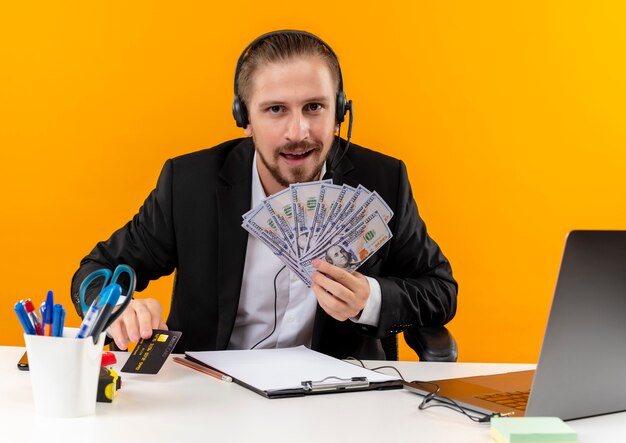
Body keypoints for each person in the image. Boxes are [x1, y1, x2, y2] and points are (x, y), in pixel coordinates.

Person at [71, 30, 457, 359]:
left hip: (334, 399)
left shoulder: (382, 180)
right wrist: (113, 308)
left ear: (339, 112)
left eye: (314, 107)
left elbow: (441, 290)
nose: (298, 132)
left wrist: (370, 299)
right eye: (275, 109)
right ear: (245, 119)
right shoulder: (191, 184)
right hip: (214, 397)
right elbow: (94, 271)